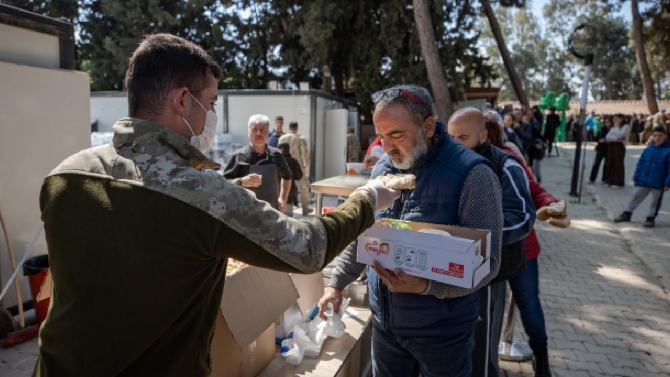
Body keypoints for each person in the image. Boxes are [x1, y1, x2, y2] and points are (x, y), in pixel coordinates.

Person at [34, 33, 400, 376]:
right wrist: (366, 200)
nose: (212, 115)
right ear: (181, 101)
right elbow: (307, 248)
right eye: (209, 103)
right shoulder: (201, 192)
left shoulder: (64, 176)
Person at [319, 85, 503, 377]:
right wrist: (336, 284)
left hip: (443, 335)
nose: (386, 145)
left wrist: (427, 286)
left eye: (396, 134)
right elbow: (365, 234)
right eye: (381, 135)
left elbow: (488, 264)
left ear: (427, 127)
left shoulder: (473, 175)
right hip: (386, 327)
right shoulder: (382, 168)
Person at [447, 110, 535, 377]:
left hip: (488, 273)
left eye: (463, 137)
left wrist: (475, 235)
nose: (455, 143)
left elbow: (522, 217)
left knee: (481, 351)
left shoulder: (505, 165)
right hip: (448, 268)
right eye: (451, 137)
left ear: (483, 135)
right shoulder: (445, 161)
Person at [485, 120, 571, 377]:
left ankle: (541, 358)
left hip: (522, 248)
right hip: (487, 251)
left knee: (529, 303)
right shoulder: (460, 160)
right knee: (489, 312)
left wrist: (552, 203)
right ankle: (487, 362)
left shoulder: (509, 159)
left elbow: (533, 189)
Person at [224, 114, 293, 211]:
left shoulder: (276, 155)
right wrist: (241, 181)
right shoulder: (238, 156)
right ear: (248, 132)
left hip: (272, 212)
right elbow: (224, 183)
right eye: (254, 130)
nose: (258, 133)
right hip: (244, 213)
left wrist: (283, 198)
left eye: (263, 130)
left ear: (268, 132)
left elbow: (287, 177)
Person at [614, 126, 670, 228]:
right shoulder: (649, 149)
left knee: (655, 202)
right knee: (635, 196)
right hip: (644, 179)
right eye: (655, 135)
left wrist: (667, 183)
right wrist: (636, 177)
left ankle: (650, 218)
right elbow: (641, 163)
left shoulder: (668, 150)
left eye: (660, 136)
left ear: (665, 136)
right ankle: (627, 213)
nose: (657, 138)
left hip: (658, 181)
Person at [279, 121, 312, 215]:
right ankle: (305, 209)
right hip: (298, 165)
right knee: (303, 186)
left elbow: (278, 150)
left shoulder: (282, 138)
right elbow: (304, 151)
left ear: (288, 127)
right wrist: (308, 163)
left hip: (284, 164)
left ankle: (283, 207)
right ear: (297, 128)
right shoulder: (300, 138)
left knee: (283, 185)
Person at [603, 113, 630, 188]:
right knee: (610, 163)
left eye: (617, 118)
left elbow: (620, 135)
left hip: (620, 146)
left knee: (618, 163)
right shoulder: (613, 127)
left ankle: (618, 182)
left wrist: (617, 128)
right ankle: (608, 180)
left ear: (621, 119)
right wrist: (615, 138)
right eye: (614, 119)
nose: (615, 120)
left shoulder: (626, 127)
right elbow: (608, 137)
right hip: (611, 146)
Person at [277, 142, 303, 217]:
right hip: (290, 191)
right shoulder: (293, 161)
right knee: (287, 217)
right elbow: (299, 176)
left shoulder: (274, 161)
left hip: (275, 191)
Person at [588, 116, 613, 185]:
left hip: (609, 149)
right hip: (601, 148)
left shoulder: (613, 130)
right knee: (596, 163)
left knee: (607, 165)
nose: (606, 124)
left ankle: (604, 179)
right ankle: (592, 179)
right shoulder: (602, 129)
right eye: (606, 122)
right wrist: (599, 140)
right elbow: (596, 138)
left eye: (608, 122)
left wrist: (606, 140)